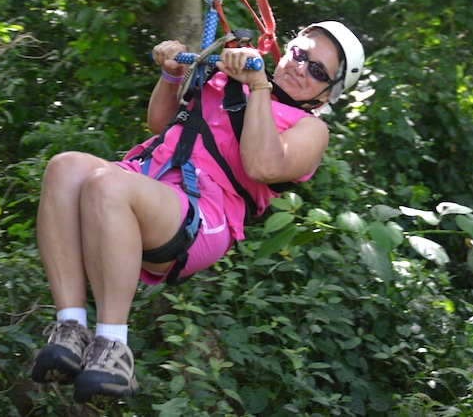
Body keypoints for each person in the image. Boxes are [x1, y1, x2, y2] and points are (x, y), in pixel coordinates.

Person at [30, 21, 364, 402]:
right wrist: (171, 74)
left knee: (106, 185)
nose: (301, 67)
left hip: (202, 214)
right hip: (151, 180)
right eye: (300, 54)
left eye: (318, 70)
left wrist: (258, 87)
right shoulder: (230, 79)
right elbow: (162, 125)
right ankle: (70, 327)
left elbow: (262, 167)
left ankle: (113, 346)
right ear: (287, 49)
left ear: (326, 94)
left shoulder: (310, 129)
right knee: (64, 168)